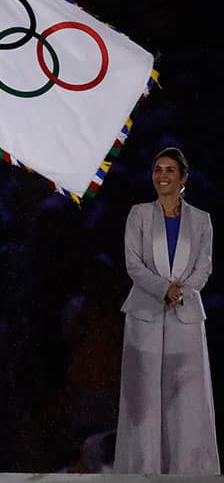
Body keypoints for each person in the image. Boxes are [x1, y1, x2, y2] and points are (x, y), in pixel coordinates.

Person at [114, 147, 219, 474]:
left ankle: (188, 471)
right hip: (145, 312)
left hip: (185, 314)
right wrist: (165, 288)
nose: (162, 175)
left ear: (183, 178)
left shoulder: (201, 220)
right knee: (142, 398)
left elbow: (204, 268)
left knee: (186, 397)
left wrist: (183, 291)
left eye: (170, 170)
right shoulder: (139, 214)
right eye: (158, 169)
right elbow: (134, 264)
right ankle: (142, 469)